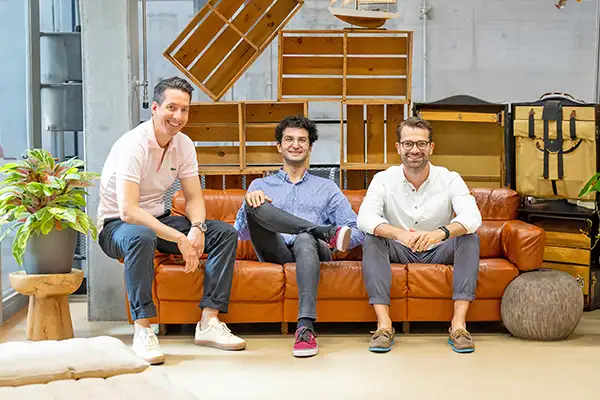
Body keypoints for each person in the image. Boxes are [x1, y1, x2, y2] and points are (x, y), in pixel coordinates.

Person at [97, 76, 245, 365]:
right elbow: (128, 210)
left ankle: (209, 321)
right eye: (171, 108)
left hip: (157, 220)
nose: (178, 117)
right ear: (154, 107)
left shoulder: (184, 144)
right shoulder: (133, 145)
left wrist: (198, 228)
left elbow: (193, 197)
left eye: (185, 110)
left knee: (224, 233)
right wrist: (180, 238)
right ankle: (143, 329)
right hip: (117, 226)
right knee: (141, 235)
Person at [234, 115, 364, 358]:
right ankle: (320, 230)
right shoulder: (260, 185)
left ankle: (305, 326)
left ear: (310, 147)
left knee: (306, 238)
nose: (295, 144)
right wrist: (248, 205)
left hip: (315, 250)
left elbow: (355, 229)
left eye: (302, 140)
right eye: (289, 139)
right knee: (255, 203)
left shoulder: (327, 188)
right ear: (279, 146)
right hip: (276, 250)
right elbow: (240, 234)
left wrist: (339, 244)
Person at [357, 116, 482, 354]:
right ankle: (384, 326)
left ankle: (458, 326)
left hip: (438, 248)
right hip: (399, 248)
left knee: (469, 237)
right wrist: (399, 234)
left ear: (431, 147)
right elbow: (365, 218)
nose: (415, 150)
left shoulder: (450, 178)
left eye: (421, 144)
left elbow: (472, 217)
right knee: (372, 238)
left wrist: (440, 234)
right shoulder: (382, 179)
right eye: (408, 144)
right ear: (398, 147)